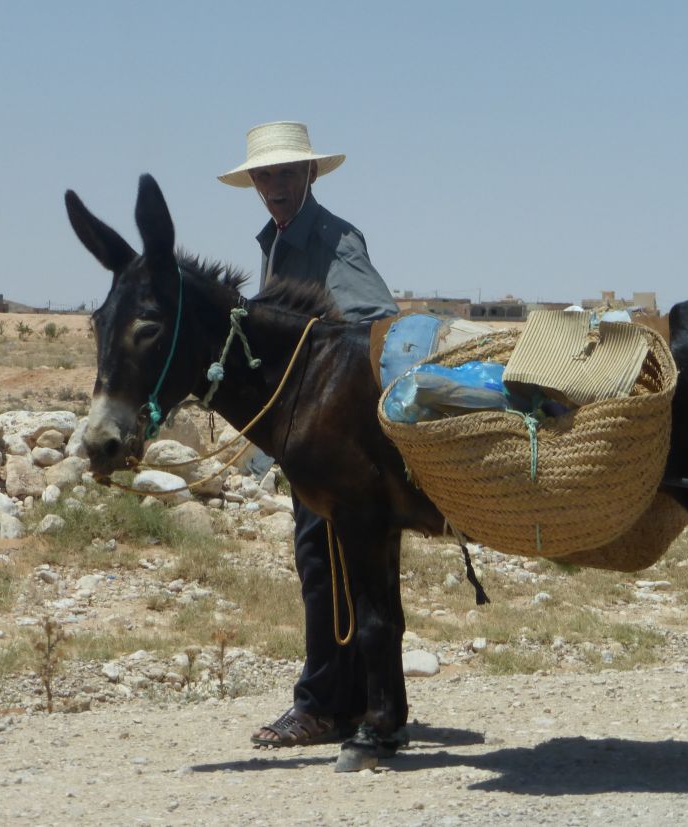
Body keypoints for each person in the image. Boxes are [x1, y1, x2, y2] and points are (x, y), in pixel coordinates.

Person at [218, 121, 398, 747]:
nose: (275, 185)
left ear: (310, 175)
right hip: (307, 433)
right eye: (265, 176)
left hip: (336, 436)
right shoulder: (276, 239)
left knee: (325, 563)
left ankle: (323, 704)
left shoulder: (332, 237)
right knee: (328, 564)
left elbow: (374, 317)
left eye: (286, 173)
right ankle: (350, 699)